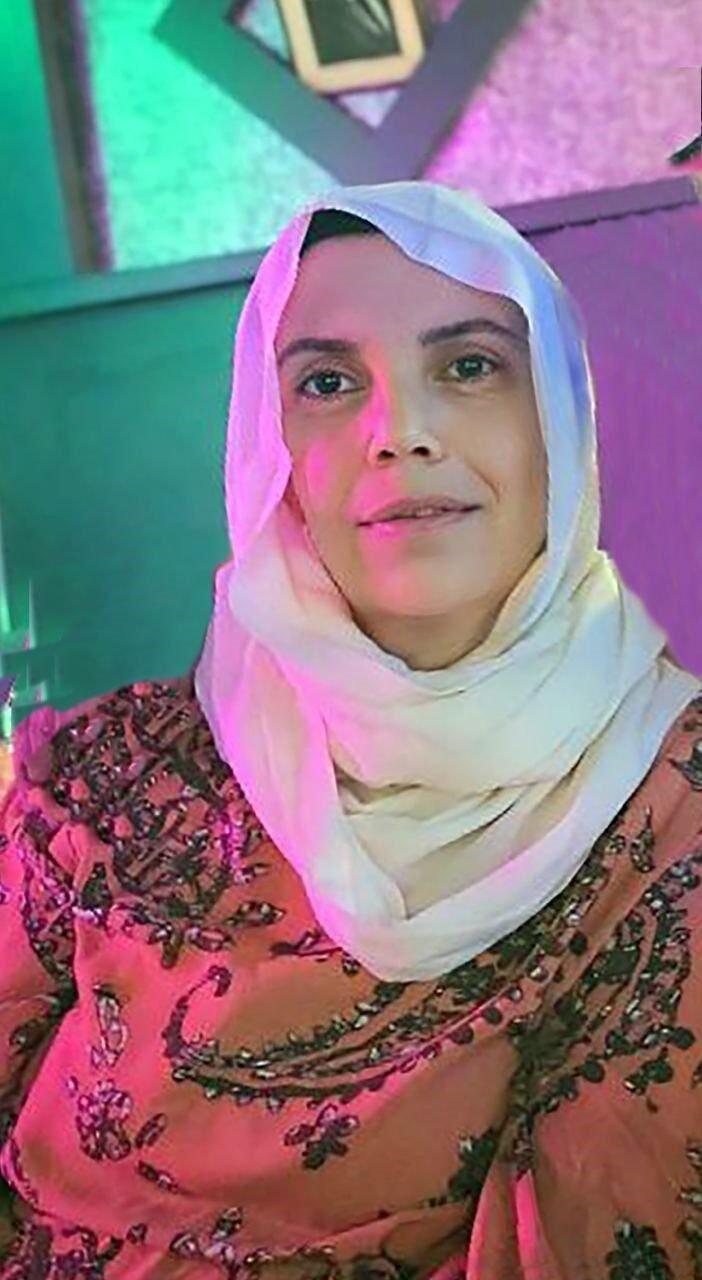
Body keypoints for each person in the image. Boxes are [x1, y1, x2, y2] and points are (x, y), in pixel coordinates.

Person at [0, 180, 701, 1280]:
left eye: (469, 366)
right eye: (328, 382)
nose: (401, 433)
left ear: (560, 418)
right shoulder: (105, 772)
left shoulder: (668, 805)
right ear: (268, 447)